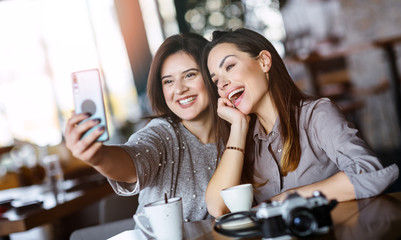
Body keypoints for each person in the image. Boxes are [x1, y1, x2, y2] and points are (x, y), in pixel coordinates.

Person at [202, 28, 399, 217]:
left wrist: (288, 199)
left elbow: (370, 172)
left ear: (263, 61)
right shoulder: (244, 140)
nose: (222, 83)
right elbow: (218, 207)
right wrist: (237, 127)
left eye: (229, 67)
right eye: (215, 80)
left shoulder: (316, 114)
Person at [64, 32, 229, 222]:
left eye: (189, 75)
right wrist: (99, 157)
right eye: (168, 81)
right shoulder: (162, 133)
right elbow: (135, 158)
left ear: (212, 75)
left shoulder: (237, 132)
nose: (179, 89)